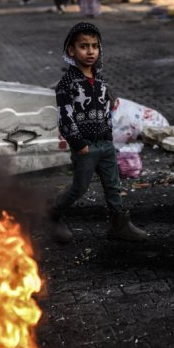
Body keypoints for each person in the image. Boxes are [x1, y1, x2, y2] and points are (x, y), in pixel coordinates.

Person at [47, 22, 149, 244]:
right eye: (84, 46)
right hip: (84, 147)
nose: (90, 51)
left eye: (95, 46)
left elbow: (106, 112)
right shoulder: (67, 83)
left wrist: (109, 137)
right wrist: (78, 143)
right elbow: (65, 118)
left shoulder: (100, 80)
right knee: (80, 187)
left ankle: (119, 225)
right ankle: (53, 213)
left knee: (113, 185)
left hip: (105, 144)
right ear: (71, 50)